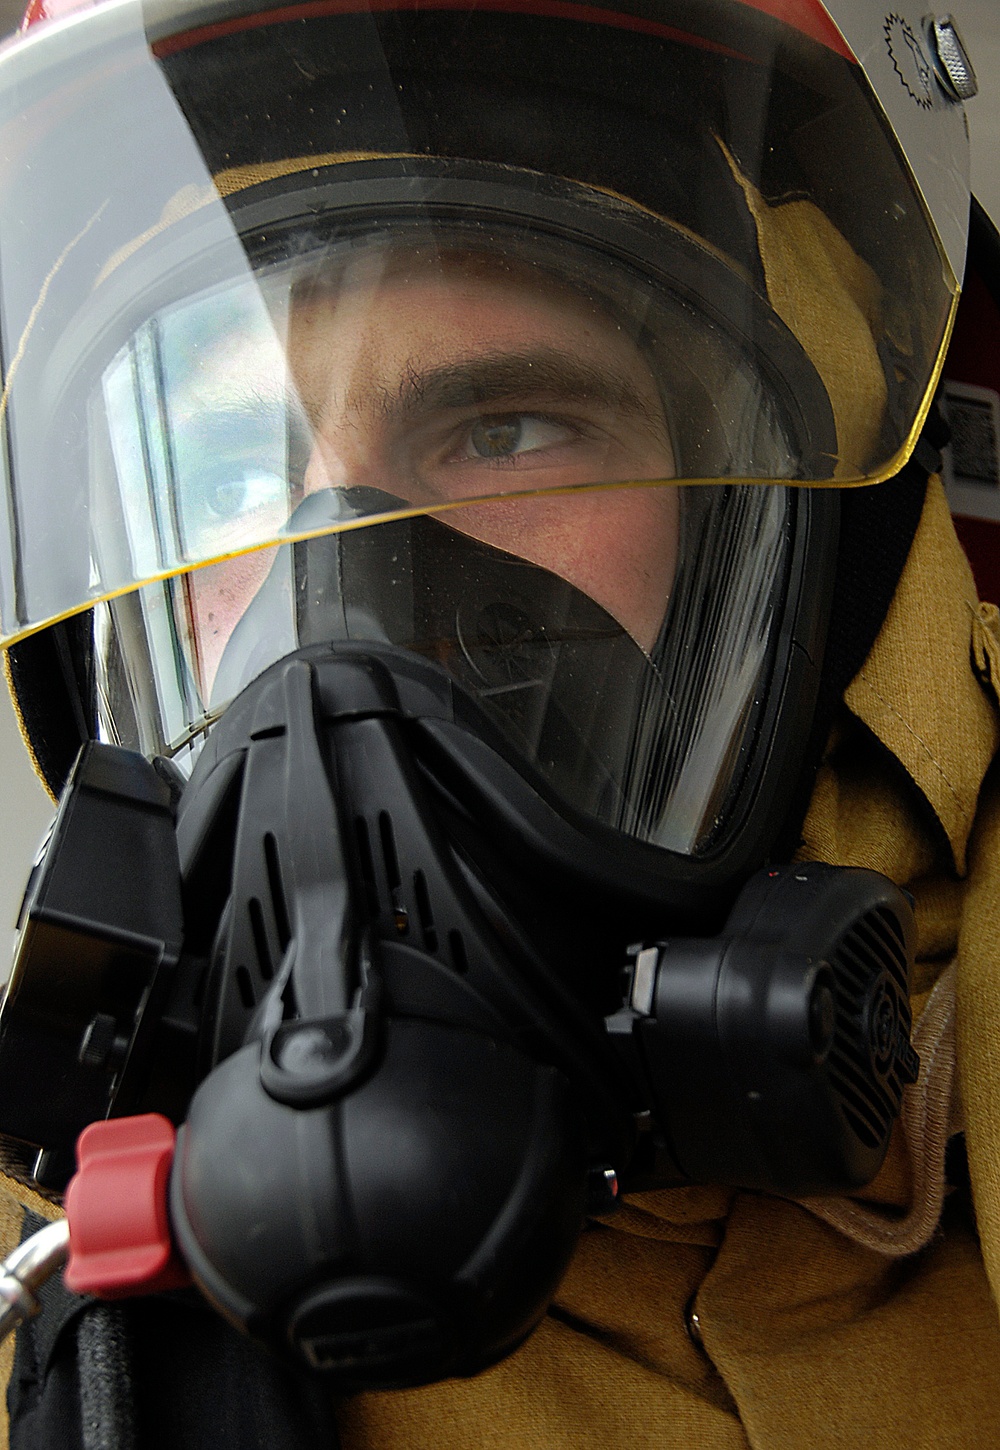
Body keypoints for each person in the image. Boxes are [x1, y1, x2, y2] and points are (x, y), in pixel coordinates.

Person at [0, 0, 998, 1445]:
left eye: (507, 428)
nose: (336, 598)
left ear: (796, 546)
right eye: (222, 475)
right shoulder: (54, 1331)